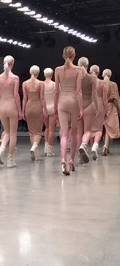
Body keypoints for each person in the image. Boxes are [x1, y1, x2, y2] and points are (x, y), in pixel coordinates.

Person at [54, 46, 84, 175]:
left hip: (62, 101)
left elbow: (56, 91)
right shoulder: (79, 70)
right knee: (74, 133)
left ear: (63, 56)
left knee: (64, 132)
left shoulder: (58, 70)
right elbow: (78, 91)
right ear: (74, 55)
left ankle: (62, 160)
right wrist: (81, 108)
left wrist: (55, 107)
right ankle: (71, 160)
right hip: (73, 101)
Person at [0, 55, 23, 168]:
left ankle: (1, 150)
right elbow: (16, 95)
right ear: (12, 64)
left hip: (2, 106)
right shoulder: (15, 78)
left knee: (6, 132)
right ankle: (10, 160)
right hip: (12, 107)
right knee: (13, 133)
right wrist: (20, 111)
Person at [22, 65, 47, 162]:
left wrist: (23, 110)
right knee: (38, 132)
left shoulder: (24, 83)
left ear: (30, 72)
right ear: (38, 73)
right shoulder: (41, 83)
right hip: (38, 107)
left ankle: (36, 154)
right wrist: (45, 110)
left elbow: (24, 98)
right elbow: (42, 98)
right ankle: (34, 147)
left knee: (31, 132)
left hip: (28, 107)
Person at [76, 58, 97, 163]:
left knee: (79, 132)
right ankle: (84, 144)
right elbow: (94, 95)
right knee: (87, 130)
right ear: (87, 65)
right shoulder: (92, 78)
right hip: (89, 105)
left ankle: (80, 158)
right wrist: (97, 108)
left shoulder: (75, 77)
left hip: (77, 106)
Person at [89, 65, 108, 159]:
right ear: (98, 72)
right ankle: (95, 146)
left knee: (90, 128)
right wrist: (107, 110)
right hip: (100, 105)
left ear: (90, 72)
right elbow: (104, 98)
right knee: (98, 129)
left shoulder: (87, 82)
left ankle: (92, 146)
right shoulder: (102, 83)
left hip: (89, 105)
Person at [102, 68, 120, 155]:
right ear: (111, 75)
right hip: (111, 106)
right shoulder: (114, 85)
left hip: (101, 107)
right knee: (108, 127)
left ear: (102, 75)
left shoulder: (99, 83)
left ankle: (105, 146)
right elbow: (115, 99)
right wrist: (118, 109)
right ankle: (106, 145)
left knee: (104, 127)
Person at [42, 68, 57, 157]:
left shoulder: (41, 84)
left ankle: (46, 148)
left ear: (44, 75)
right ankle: (49, 150)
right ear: (52, 75)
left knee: (47, 128)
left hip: (44, 107)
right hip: (52, 107)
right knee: (51, 129)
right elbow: (56, 97)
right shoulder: (54, 84)